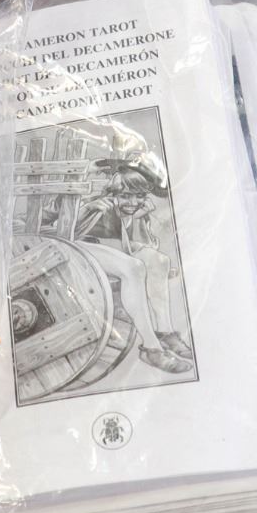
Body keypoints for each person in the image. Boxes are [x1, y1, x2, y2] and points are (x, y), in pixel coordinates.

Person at [73, 153, 192, 375]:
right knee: (134, 268)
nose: (133, 202)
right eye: (126, 196)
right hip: (77, 246)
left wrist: (135, 218)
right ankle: (151, 348)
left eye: (139, 196)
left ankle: (165, 332)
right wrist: (87, 209)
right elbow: (57, 227)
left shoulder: (132, 209)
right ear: (113, 191)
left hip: (108, 246)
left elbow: (137, 244)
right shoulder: (92, 197)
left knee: (160, 261)